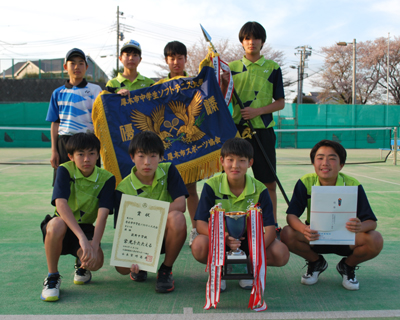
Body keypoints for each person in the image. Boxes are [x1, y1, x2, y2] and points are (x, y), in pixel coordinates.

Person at [280, 140, 383, 290]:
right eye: (320, 158)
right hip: (315, 237)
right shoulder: (305, 182)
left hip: (346, 239)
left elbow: (372, 222)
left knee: (376, 239)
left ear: (341, 165)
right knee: (286, 233)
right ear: (313, 162)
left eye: (332, 158)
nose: (325, 163)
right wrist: (303, 229)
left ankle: (347, 266)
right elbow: (291, 216)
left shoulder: (353, 184)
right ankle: (316, 262)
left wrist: (360, 226)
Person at [191, 138, 289, 291]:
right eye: (230, 160)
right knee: (198, 245)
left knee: (281, 253)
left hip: (251, 242)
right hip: (221, 241)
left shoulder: (260, 189)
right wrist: (223, 238)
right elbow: (200, 224)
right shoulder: (211, 186)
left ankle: (247, 269)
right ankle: (218, 268)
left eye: (241, 160)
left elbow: (270, 229)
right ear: (222, 161)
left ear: (250, 163)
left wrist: (255, 255)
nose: (235, 165)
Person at [222, 22, 285, 232]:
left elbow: (280, 102)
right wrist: (222, 82)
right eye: (247, 38)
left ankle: (271, 226)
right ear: (242, 42)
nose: (251, 42)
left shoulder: (273, 68)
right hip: (236, 133)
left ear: (262, 41)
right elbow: (222, 97)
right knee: (232, 181)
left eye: (255, 38)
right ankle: (230, 226)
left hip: (263, 132)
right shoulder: (230, 68)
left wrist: (257, 111)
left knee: (268, 182)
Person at [40, 133, 115, 302]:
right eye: (80, 154)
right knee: (56, 224)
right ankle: (52, 277)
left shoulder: (107, 178)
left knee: (96, 262)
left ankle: (81, 266)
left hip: (87, 226)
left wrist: (94, 245)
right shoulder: (65, 170)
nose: (86, 159)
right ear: (71, 156)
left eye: (91, 153)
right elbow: (60, 204)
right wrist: (81, 237)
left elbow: (102, 215)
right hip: (63, 225)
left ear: (98, 155)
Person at [114, 131, 188, 293]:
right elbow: (122, 230)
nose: (147, 162)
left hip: (166, 235)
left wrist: (147, 213)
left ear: (161, 157)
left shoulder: (169, 171)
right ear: (132, 157)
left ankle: (165, 269)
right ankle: (140, 266)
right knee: (121, 267)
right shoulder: (123, 189)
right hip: (140, 239)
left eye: (153, 156)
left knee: (177, 218)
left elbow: (181, 204)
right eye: (141, 156)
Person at [46, 48, 102, 184]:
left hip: (90, 142)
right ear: (65, 67)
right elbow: (55, 123)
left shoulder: (96, 91)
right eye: (73, 63)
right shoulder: (58, 93)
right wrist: (54, 151)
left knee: (92, 185)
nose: (77, 67)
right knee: (65, 186)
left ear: (86, 67)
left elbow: (103, 120)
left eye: (81, 63)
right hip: (65, 143)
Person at [162, 40, 198, 247]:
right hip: (166, 146)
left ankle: (195, 229)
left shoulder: (194, 83)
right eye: (172, 58)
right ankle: (163, 229)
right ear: (166, 60)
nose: (176, 62)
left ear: (185, 59)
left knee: (191, 189)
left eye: (180, 58)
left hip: (188, 144)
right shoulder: (156, 87)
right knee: (164, 190)